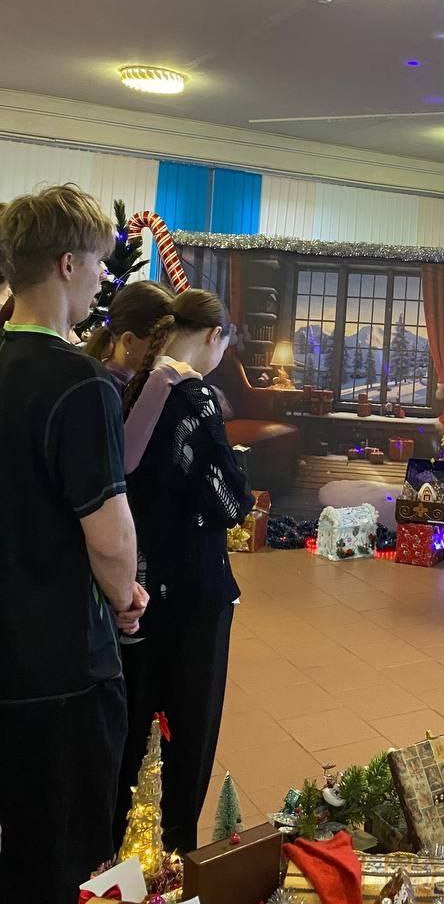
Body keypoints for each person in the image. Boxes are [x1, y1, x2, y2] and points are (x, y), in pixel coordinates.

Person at [0, 186, 148, 902]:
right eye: (96, 264)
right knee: (64, 858)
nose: (100, 280)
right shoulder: (80, 383)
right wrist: (126, 598)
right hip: (59, 670)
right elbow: (111, 539)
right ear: (66, 264)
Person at [114, 288, 252, 854]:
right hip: (195, 590)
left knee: (134, 728)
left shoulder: (138, 386)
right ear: (214, 336)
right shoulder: (194, 398)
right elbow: (231, 501)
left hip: (140, 585)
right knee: (189, 735)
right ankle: (176, 856)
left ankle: (116, 850)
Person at [86, 280, 200, 473]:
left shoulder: (131, 381)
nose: (165, 356)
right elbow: (120, 461)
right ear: (129, 341)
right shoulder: (101, 388)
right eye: (159, 345)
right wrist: (163, 379)